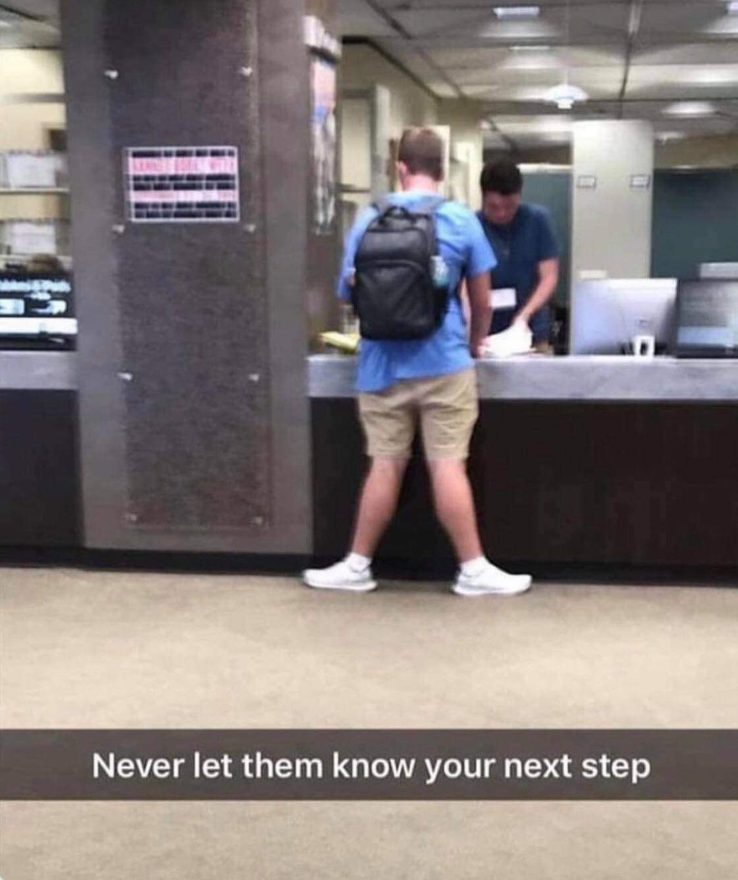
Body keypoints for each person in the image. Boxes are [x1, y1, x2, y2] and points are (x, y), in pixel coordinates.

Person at [303, 128, 532, 597]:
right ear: (442, 171)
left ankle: (356, 565)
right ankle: (473, 570)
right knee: (447, 467)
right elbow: (482, 301)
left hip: (381, 367)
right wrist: (473, 342)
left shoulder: (368, 218)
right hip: (444, 364)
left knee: (385, 466)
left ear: (400, 169)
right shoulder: (460, 220)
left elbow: (347, 292)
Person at [477, 158, 560, 353]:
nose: (502, 214)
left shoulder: (537, 220)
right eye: (493, 207)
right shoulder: (473, 226)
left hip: (532, 332)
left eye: (509, 207)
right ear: (483, 198)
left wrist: (525, 315)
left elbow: (549, 276)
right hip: (486, 335)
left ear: (519, 197)